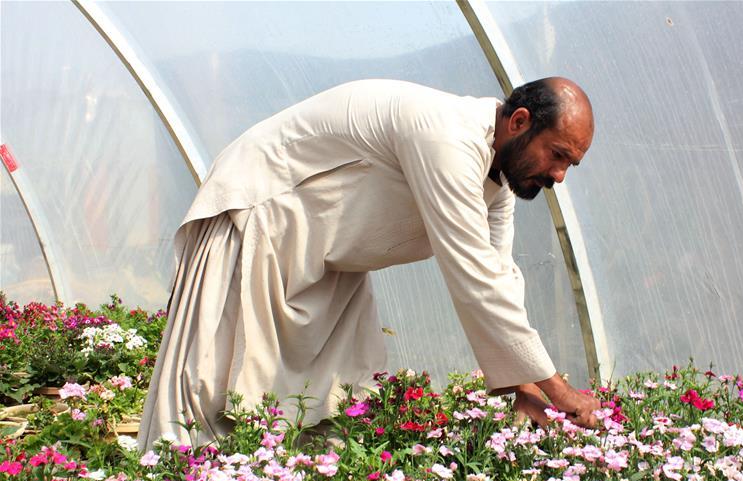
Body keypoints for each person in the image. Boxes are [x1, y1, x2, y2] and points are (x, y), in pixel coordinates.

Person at [137, 77, 603, 450]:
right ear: (519, 122)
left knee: (327, 406)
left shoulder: (496, 181)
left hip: (327, 260)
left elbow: (498, 277)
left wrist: (527, 388)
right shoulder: (447, 137)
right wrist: (558, 390)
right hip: (261, 216)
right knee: (210, 391)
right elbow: (474, 277)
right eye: (557, 155)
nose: (559, 175)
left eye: (571, 164)